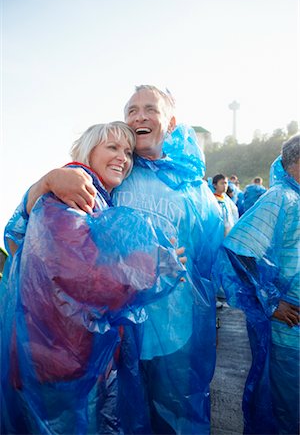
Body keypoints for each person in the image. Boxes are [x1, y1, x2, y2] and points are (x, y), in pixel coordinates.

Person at [7, 85, 224, 434]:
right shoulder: (97, 181)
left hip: (173, 331)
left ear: (170, 121)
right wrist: (45, 182)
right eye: (131, 110)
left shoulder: (192, 188)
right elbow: (26, 237)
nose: (139, 116)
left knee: (175, 417)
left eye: (149, 109)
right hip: (113, 337)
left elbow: (213, 258)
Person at [213, 134, 300, 435]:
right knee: (288, 410)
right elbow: (239, 249)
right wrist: (271, 302)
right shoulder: (282, 198)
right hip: (290, 330)